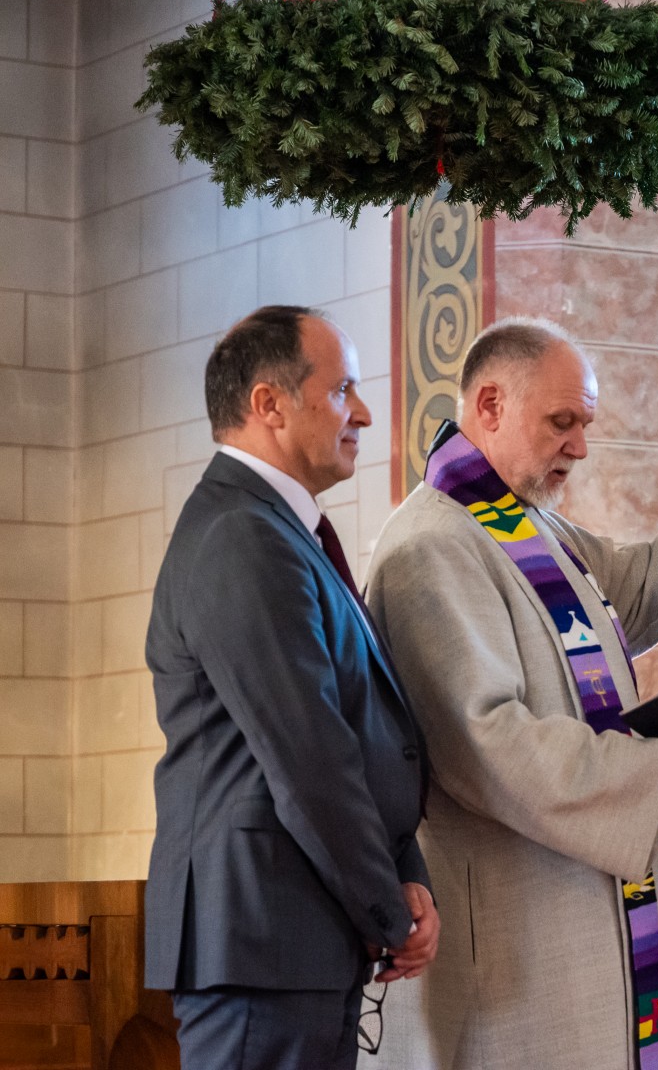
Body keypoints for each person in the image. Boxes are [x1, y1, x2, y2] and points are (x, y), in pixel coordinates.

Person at [361, 316, 658, 1070]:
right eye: (562, 422)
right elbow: (486, 743)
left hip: (579, 917)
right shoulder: (430, 547)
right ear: (489, 404)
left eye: (584, 424)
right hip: (516, 942)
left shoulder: (527, 532)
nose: (580, 447)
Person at [146, 305, 439, 1070]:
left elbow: (363, 728)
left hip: (299, 938)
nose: (365, 413)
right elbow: (308, 752)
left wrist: (405, 876)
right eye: (343, 389)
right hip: (259, 938)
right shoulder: (242, 534)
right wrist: (387, 906)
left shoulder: (280, 532)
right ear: (269, 404)